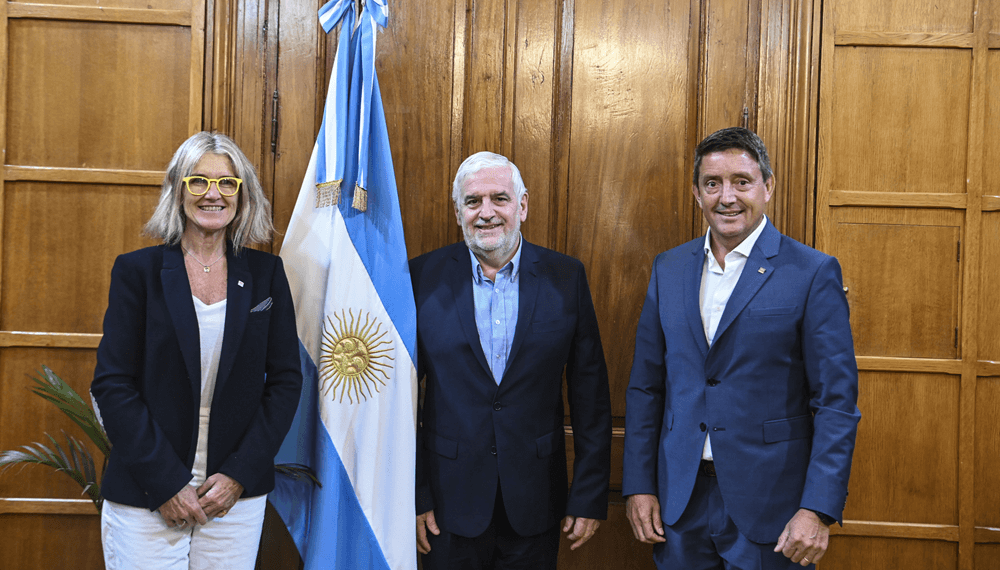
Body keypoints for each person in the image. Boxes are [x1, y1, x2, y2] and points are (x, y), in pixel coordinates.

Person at [623, 127, 861, 569]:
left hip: (773, 507)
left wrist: (817, 508)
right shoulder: (668, 268)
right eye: (712, 183)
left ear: (768, 187)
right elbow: (645, 388)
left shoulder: (812, 272)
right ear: (696, 193)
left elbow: (836, 402)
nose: (727, 197)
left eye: (742, 182)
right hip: (680, 503)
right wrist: (639, 485)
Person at [91, 131, 302, 569]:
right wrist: (166, 483)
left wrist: (239, 475)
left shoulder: (266, 274)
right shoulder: (137, 271)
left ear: (242, 194)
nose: (213, 194)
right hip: (147, 492)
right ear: (178, 189)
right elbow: (113, 385)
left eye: (227, 183)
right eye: (199, 181)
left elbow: (285, 382)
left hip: (233, 498)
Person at [410, 151, 612, 569]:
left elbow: (590, 397)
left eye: (499, 199)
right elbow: (400, 399)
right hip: (446, 505)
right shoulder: (419, 278)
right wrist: (414, 495)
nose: (486, 213)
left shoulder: (566, 277)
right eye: (473, 201)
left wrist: (590, 495)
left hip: (536, 501)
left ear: (522, 205)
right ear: (458, 212)